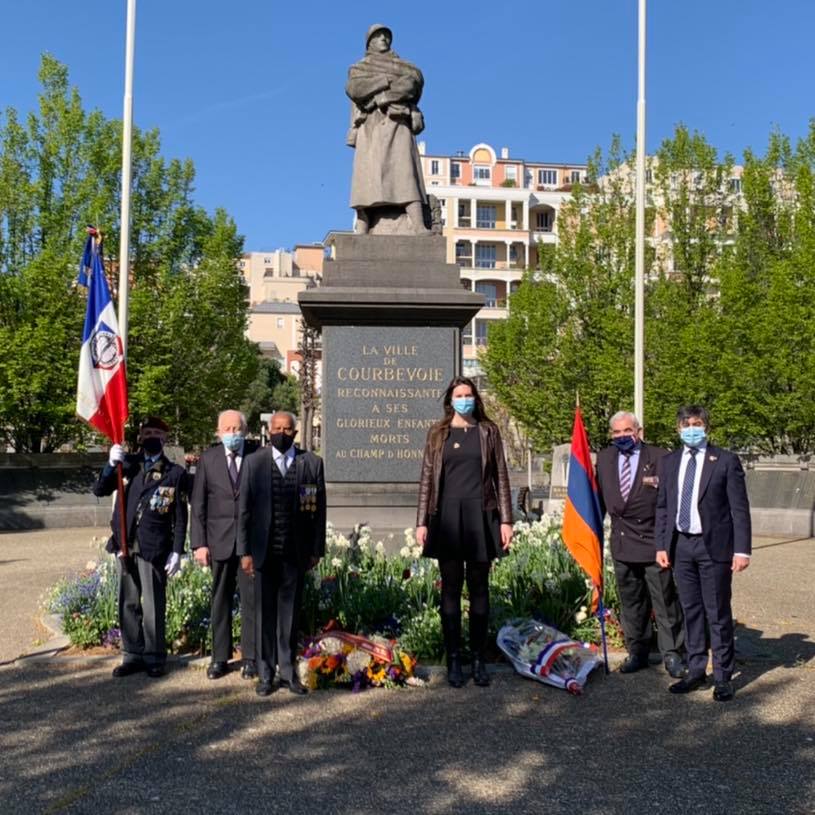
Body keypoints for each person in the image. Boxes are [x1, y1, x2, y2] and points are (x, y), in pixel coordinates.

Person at [416, 376, 513, 688]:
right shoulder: (437, 433)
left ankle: (478, 660)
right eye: (459, 395)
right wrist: (422, 521)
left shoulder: (488, 431)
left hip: (481, 514)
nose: (464, 399)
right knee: (450, 590)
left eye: (468, 394)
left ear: (476, 398)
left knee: (480, 589)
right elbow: (427, 478)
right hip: (446, 516)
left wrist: (507, 520)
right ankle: (454, 659)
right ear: (450, 399)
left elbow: (501, 474)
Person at [655, 405, 751, 702]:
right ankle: (696, 670)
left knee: (717, 613)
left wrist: (742, 550)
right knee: (690, 611)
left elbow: (739, 510)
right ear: (678, 429)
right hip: (681, 546)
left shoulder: (725, 461)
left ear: (706, 427)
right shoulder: (669, 462)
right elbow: (663, 506)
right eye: (686, 424)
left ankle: (723, 676)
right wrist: (661, 544)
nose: (691, 429)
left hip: (714, 548)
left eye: (696, 423)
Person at [237, 411, 326, 697]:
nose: (282, 433)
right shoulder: (253, 463)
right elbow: (244, 512)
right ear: (268, 429)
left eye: (288, 429)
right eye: (277, 428)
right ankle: (266, 673)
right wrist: (244, 551)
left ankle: (288, 672)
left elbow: (319, 512)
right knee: (264, 615)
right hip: (263, 552)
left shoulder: (311, 464)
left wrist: (316, 549)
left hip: (295, 552)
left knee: (289, 616)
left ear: (295, 433)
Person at [94, 417, 188, 678]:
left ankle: (155, 656)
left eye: (157, 432)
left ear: (165, 438)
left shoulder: (175, 473)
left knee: (153, 605)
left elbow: (180, 517)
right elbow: (99, 489)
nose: (151, 436)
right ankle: (132, 654)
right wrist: (110, 465)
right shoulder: (128, 465)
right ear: (139, 437)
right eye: (147, 432)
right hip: (125, 544)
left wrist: (177, 551)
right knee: (128, 602)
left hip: (154, 547)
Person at [595, 411, 686, 678]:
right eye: (617, 432)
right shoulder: (605, 458)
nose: (622, 436)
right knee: (632, 602)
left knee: (664, 601)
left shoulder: (660, 458)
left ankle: (672, 654)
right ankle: (638, 652)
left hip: (654, 544)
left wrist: (666, 544)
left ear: (639, 431)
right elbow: (600, 499)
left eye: (627, 431)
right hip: (623, 543)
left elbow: (670, 504)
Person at [190, 410, 258, 681]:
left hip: (249, 545)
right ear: (218, 432)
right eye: (227, 429)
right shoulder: (208, 459)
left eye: (236, 428)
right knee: (220, 602)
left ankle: (251, 658)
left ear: (245, 429)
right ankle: (220, 658)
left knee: (251, 603)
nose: (232, 433)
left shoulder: (257, 455)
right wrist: (199, 544)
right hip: (218, 542)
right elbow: (199, 505)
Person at [346, 23, 429, 234]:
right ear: (370, 42)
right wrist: (385, 80)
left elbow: (412, 84)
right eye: (378, 36)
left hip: (397, 123)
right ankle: (363, 222)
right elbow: (355, 89)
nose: (384, 39)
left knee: (405, 172)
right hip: (370, 128)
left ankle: (417, 222)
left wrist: (383, 96)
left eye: (386, 36)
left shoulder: (405, 67)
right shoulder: (359, 69)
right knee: (367, 178)